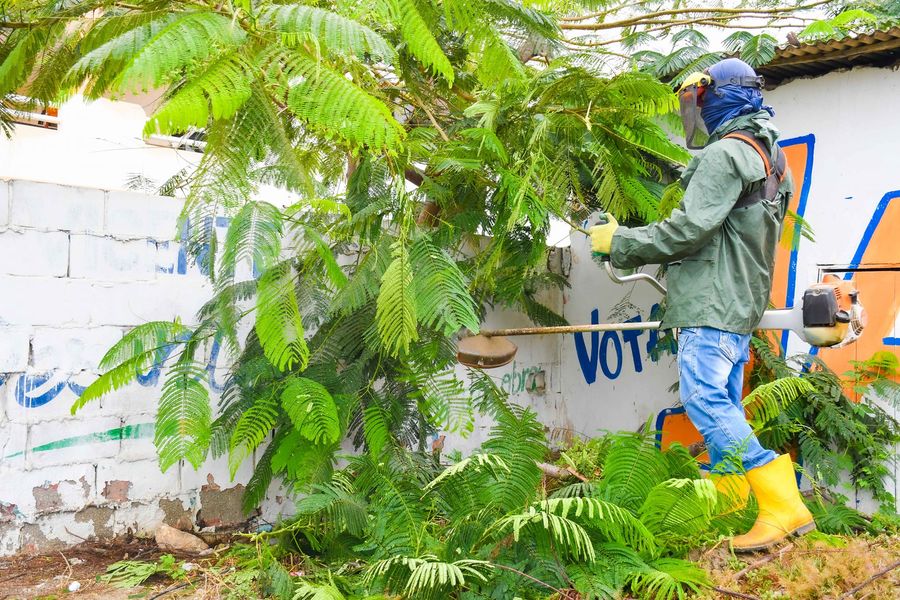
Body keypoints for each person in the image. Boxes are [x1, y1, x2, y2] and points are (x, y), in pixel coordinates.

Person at [589, 58, 815, 552]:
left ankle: (782, 506)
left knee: (704, 400)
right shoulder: (773, 159)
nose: (697, 111)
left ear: (719, 98)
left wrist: (618, 242)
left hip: (711, 303)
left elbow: (689, 230)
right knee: (725, 405)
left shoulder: (724, 154)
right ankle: (731, 503)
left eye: (700, 100)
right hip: (739, 305)